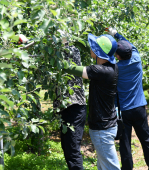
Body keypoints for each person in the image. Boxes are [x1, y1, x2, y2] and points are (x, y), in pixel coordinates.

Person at [63, 33, 120, 170]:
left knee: (111, 167)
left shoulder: (100, 71)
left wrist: (64, 44)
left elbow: (69, 68)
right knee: (104, 165)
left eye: (93, 46)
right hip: (107, 125)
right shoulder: (112, 68)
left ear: (98, 52)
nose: (90, 47)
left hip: (102, 129)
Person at [107, 27, 149, 170]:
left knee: (125, 143)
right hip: (140, 108)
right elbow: (127, 43)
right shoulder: (137, 59)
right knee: (146, 140)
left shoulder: (115, 68)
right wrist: (116, 33)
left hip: (124, 111)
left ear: (118, 55)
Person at [53, 30, 87, 170]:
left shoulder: (73, 51)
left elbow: (66, 55)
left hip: (75, 107)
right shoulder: (55, 53)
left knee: (72, 150)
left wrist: (61, 39)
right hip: (65, 108)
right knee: (67, 148)